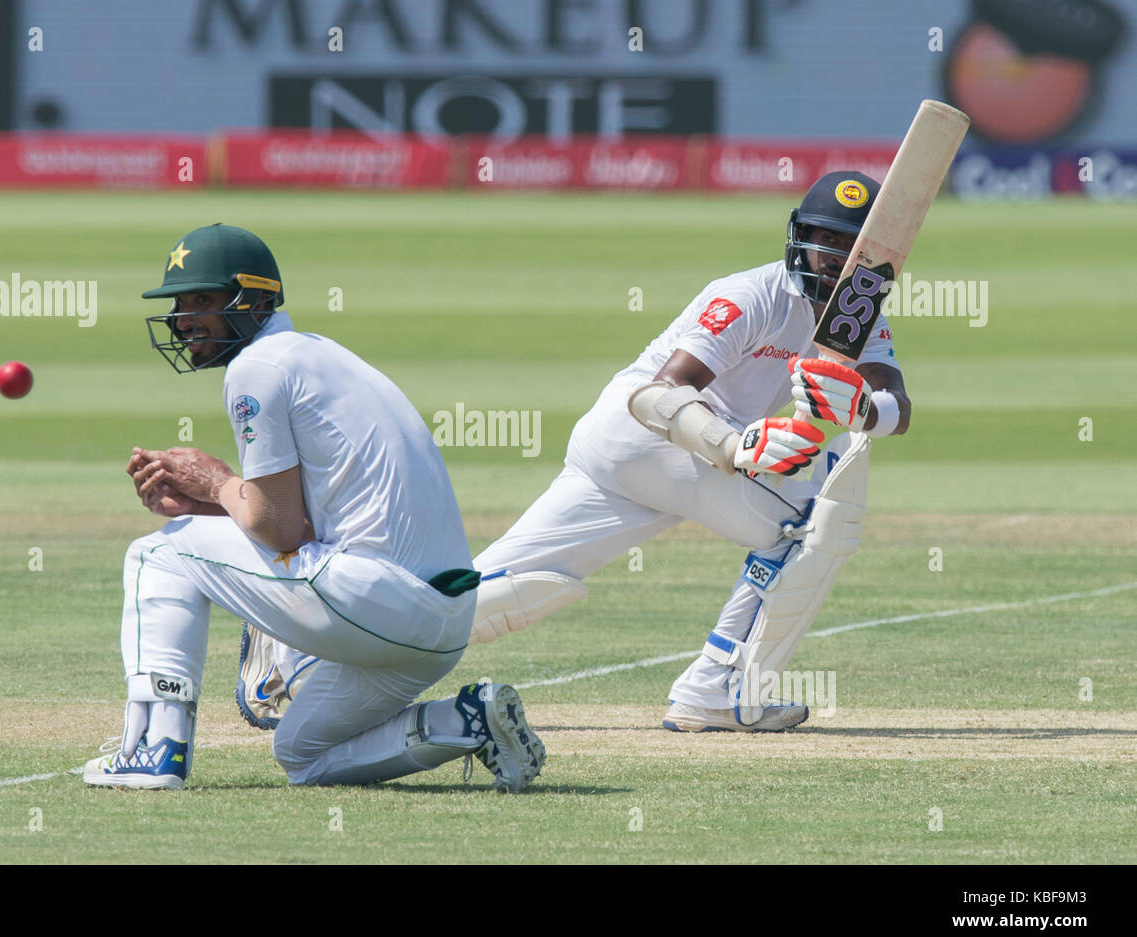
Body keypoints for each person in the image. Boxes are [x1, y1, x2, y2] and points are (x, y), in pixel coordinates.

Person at [82, 223, 545, 791]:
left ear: (254, 300)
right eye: (179, 303)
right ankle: (466, 721)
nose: (182, 318)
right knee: (302, 753)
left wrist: (216, 479)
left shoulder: (258, 368)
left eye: (201, 300)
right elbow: (300, 522)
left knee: (159, 555)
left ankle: (156, 750)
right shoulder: (320, 356)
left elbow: (279, 531)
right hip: (441, 627)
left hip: (371, 599)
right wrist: (212, 503)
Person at [466, 171, 910, 732]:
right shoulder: (750, 294)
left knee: (496, 584)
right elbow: (661, 393)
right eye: (827, 240)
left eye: (851, 247)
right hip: (654, 435)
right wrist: (734, 445)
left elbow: (899, 406)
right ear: (800, 236)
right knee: (807, 528)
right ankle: (715, 692)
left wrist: (862, 410)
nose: (836, 258)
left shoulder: (856, 314)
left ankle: (340, 651)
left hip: (633, 457)